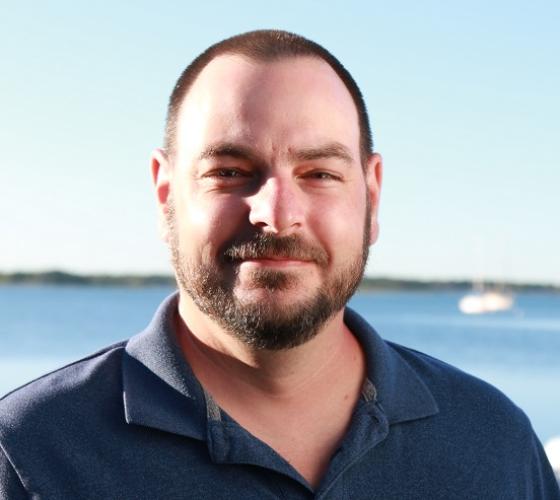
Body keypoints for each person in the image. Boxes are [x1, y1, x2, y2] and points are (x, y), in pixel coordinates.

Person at [0, 30, 558, 499]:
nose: (276, 214)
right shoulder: (29, 455)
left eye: (319, 173)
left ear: (372, 195)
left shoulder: (493, 442)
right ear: (165, 193)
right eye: (229, 170)